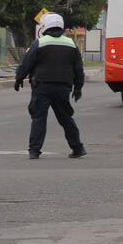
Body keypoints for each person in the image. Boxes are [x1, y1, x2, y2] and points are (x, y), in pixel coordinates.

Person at [14, 12, 86, 160]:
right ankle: (77, 147)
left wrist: (19, 78)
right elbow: (78, 68)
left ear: (45, 26)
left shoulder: (40, 42)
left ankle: (34, 151)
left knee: (39, 118)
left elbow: (27, 63)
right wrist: (78, 87)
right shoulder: (71, 44)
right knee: (66, 118)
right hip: (63, 87)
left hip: (42, 86)